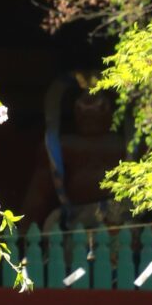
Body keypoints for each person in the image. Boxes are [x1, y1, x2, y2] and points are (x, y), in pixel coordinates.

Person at [43, 68, 93, 220]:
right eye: (82, 109)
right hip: (76, 215)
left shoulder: (118, 144)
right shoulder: (65, 145)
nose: (91, 116)